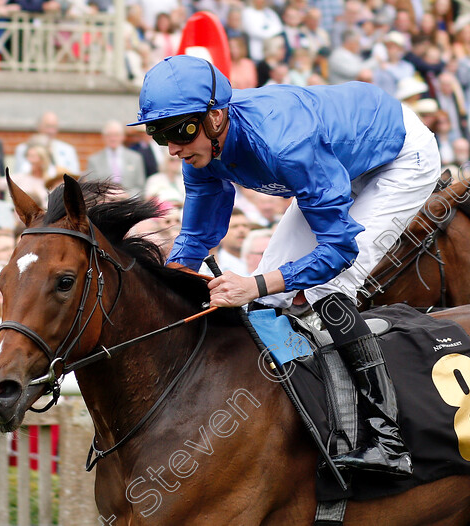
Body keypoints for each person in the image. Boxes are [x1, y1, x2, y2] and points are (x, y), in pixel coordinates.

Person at [132, 55, 443, 477]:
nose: (172, 147)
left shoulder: (283, 142)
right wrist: (165, 285)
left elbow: (339, 250)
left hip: (399, 157)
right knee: (272, 296)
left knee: (327, 286)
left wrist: (254, 285)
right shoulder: (201, 148)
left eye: (180, 130)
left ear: (216, 115)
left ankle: (387, 440)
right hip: (336, 160)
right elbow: (196, 237)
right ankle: (296, 413)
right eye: (158, 133)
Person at [85, 120, 146, 196]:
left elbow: (141, 187)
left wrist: (127, 195)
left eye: (116, 135)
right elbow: (90, 188)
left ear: (123, 136)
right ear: (104, 137)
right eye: (109, 135)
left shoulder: (135, 158)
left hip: (129, 203)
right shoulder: (94, 160)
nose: (113, 139)